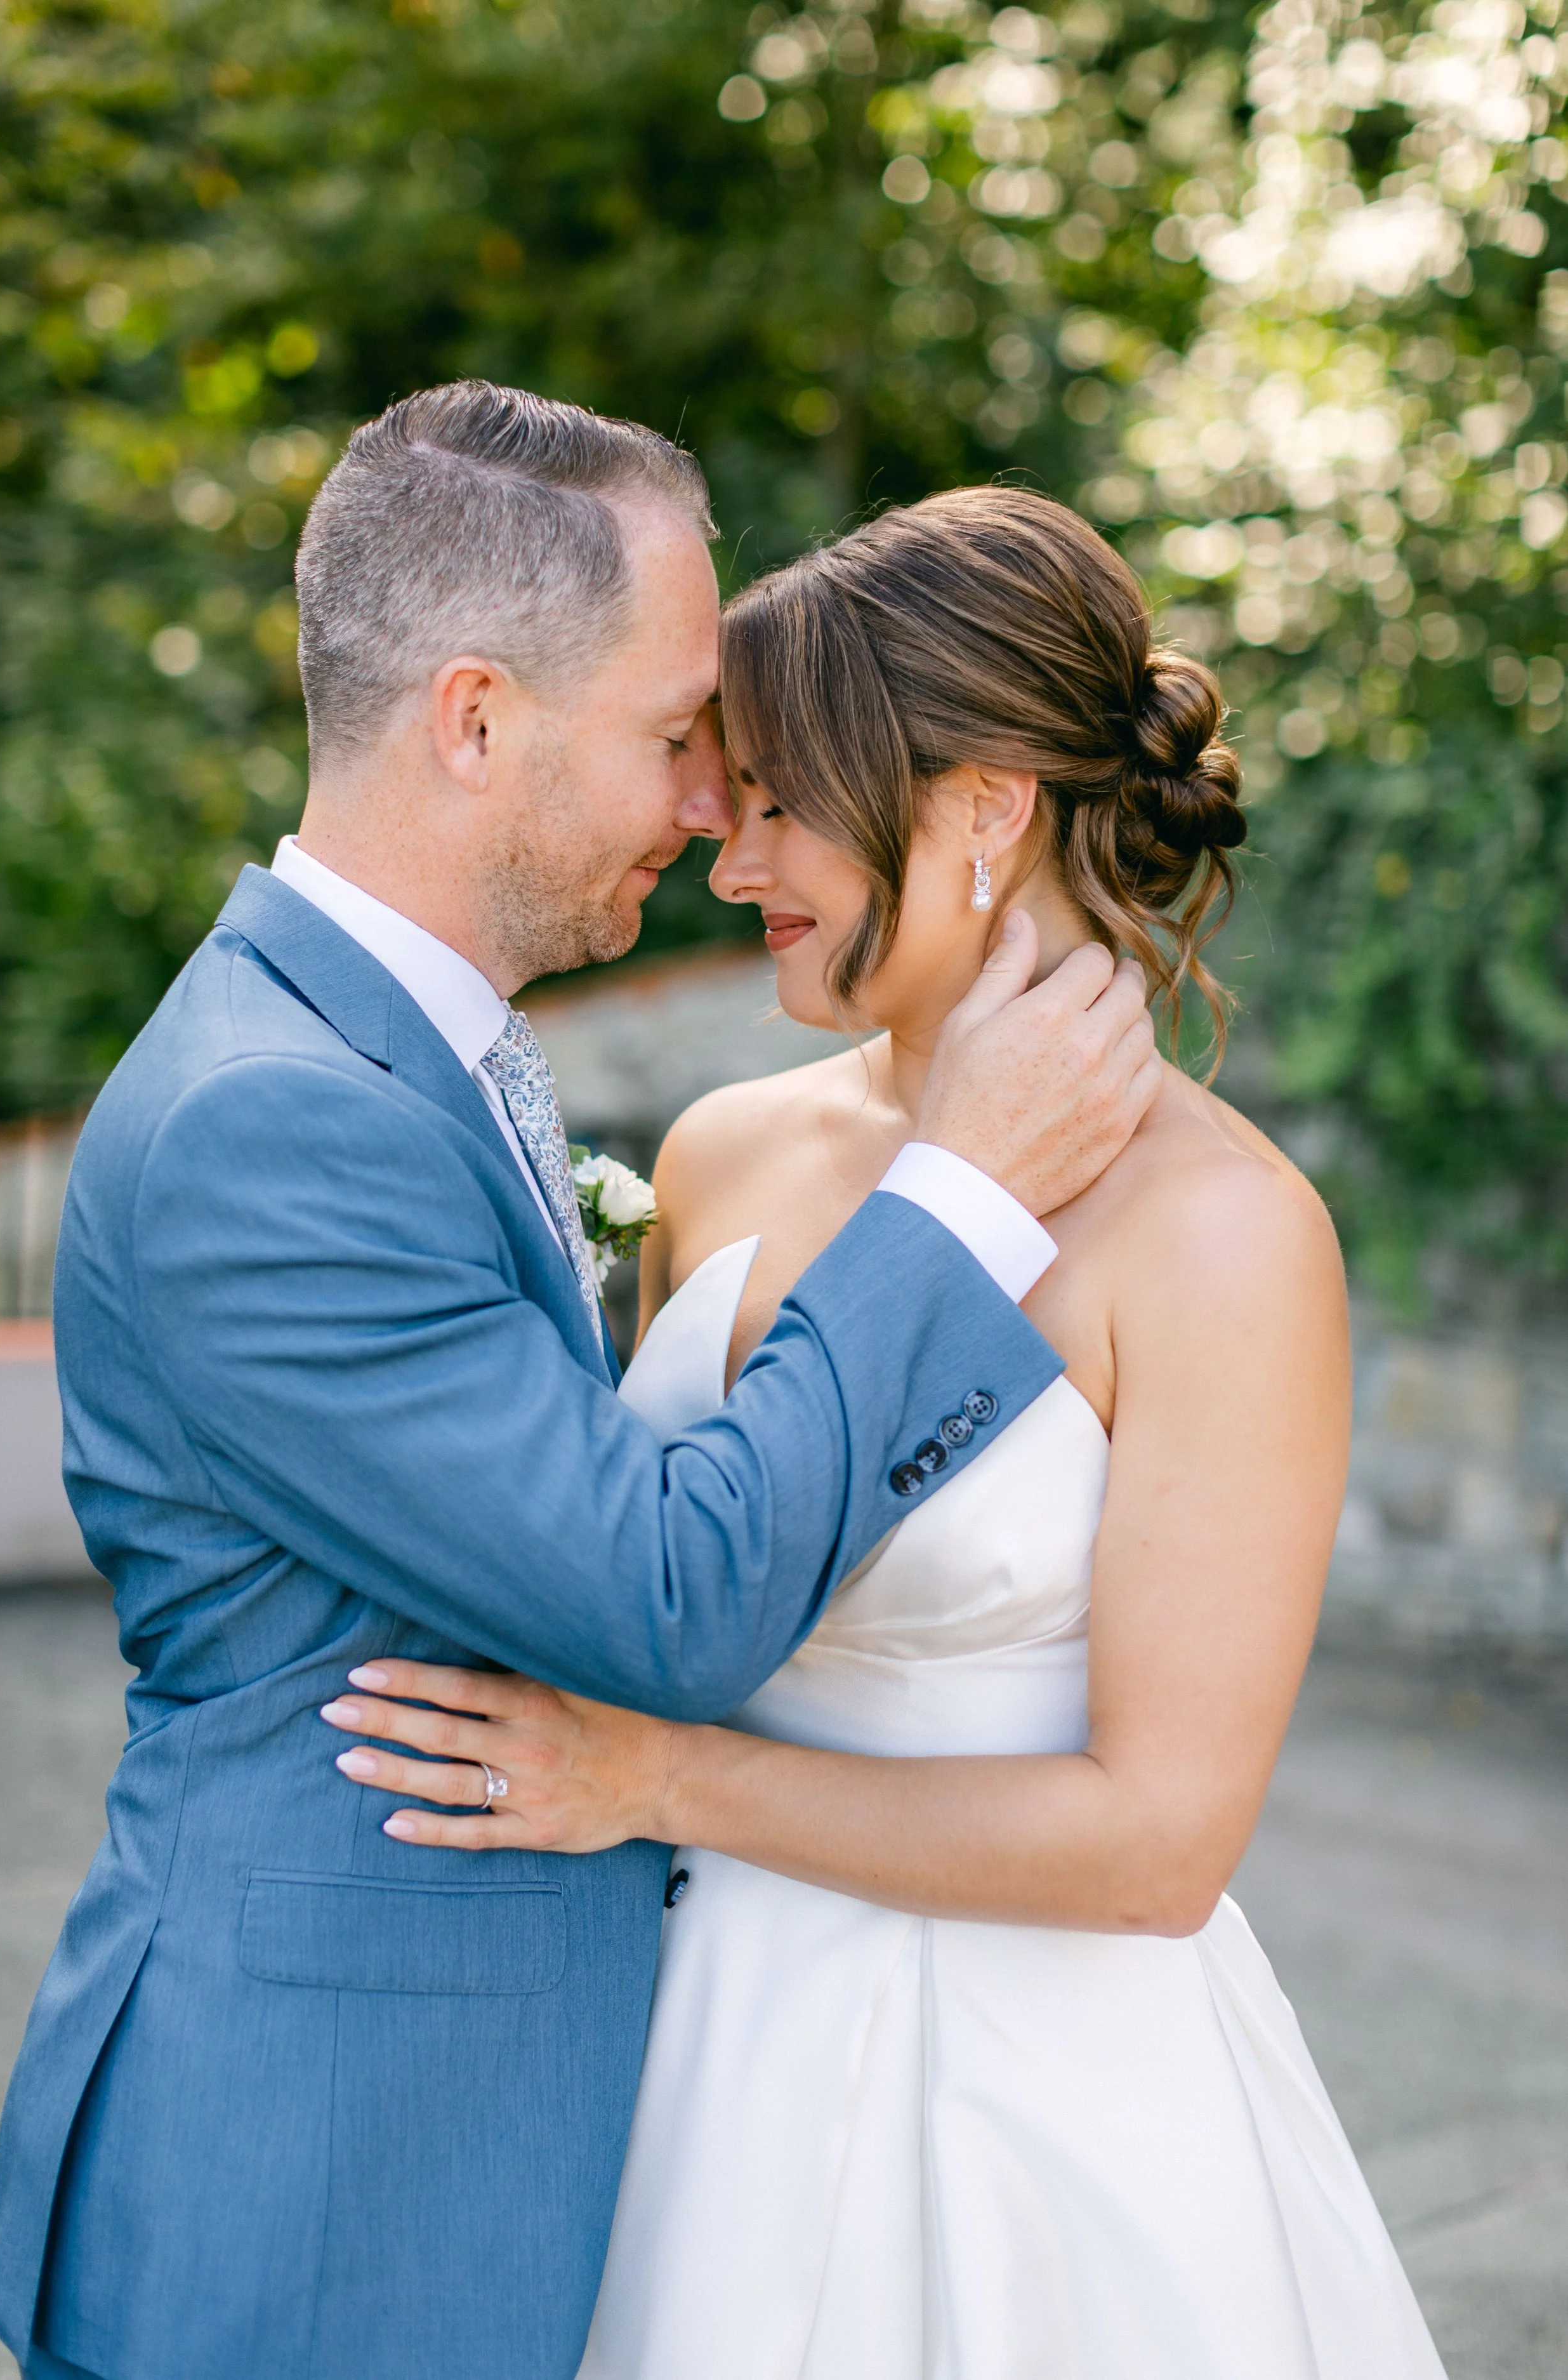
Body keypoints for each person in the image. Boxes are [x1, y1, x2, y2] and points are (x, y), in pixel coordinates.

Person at [0, 400, 1161, 2380]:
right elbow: (659, 1598)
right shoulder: (279, 1124)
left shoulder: (399, 1058)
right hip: (320, 2194)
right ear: (474, 720)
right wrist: (963, 1196)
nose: (716, 801)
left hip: (507, 2143)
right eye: (674, 726)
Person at [324, 487, 1448, 2377]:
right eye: (724, 788)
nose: (723, 852)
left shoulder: (1226, 1237)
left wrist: (660, 1781)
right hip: (674, 2045)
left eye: (778, 799)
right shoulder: (724, 1149)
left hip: (1025, 2108)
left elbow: (1156, 1843)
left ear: (983, 806)